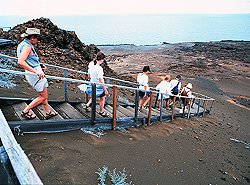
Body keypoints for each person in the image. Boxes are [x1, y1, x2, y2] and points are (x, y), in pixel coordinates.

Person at [17, 28, 57, 119]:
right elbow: (21, 61)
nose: (38, 41)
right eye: (37, 38)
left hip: (33, 72)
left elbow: (28, 59)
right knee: (43, 96)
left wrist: (40, 65)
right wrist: (37, 72)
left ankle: (48, 112)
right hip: (35, 74)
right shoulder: (27, 47)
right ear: (32, 38)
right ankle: (26, 111)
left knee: (44, 94)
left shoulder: (23, 44)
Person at [85, 51, 109, 117]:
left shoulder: (91, 64)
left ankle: (87, 105)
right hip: (98, 85)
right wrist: (105, 90)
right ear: (102, 59)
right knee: (102, 98)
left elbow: (89, 75)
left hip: (92, 84)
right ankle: (101, 111)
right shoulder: (99, 68)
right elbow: (100, 80)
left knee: (94, 95)